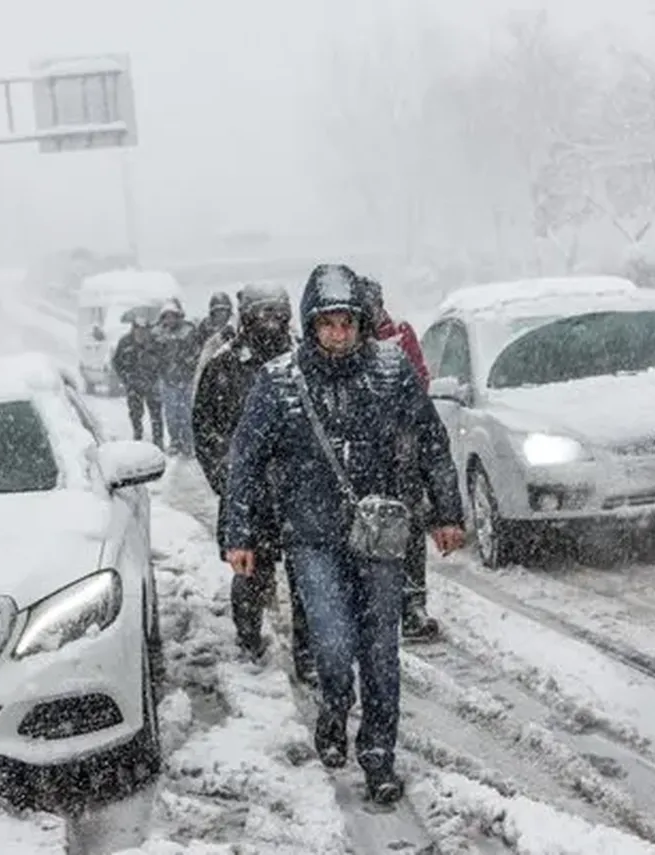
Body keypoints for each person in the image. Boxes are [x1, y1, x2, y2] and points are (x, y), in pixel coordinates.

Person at [221, 263, 465, 804]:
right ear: (311, 326)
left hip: (377, 534)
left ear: (360, 324)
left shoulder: (390, 370)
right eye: (327, 324)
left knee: (381, 649)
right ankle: (334, 708)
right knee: (332, 646)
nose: (338, 334)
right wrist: (238, 533)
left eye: (347, 323)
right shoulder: (280, 382)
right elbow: (246, 459)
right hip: (311, 539)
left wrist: (447, 512)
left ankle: (378, 756)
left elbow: (431, 441)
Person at [192, 284, 315, 684]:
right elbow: (205, 429)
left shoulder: (307, 361)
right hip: (249, 492)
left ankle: (309, 655)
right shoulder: (223, 367)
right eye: (261, 313)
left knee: (308, 578)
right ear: (245, 317)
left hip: (301, 492)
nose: (269, 321)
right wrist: (227, 479)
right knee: (250, 573)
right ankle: (248, 640)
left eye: (276, 313)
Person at [359, 276, 439, 642]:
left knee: (409, 522)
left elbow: (421, 379)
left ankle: (412, 602)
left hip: (403, 448)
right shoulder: (346, 345)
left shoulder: (400, 334)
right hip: (362, 453)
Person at [154, 299, 200, 456]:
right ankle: (175, 441)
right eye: (166, 317)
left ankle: (187, 442)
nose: (169, 320)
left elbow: (196, 353)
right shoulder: (158, 334)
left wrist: (186, 362)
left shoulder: (189, 331)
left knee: (186, 413)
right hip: (168, 380)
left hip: (186, 379)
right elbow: (154, 356)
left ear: (178, 316)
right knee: (171, 414)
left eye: (172, 316)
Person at [111, 312, 164, 445]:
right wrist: (125, 378)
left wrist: (157, 378)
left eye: (144, 329)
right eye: (138, 329)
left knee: (156, 415)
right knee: (135, 414)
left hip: (152, 384)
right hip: (133, 384)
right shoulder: (125, 342)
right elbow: (116, 362)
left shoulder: (155, 342)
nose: (141, 332)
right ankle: (138, 438)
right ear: (133, 329)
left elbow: (164, 361)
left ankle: (158, 441)